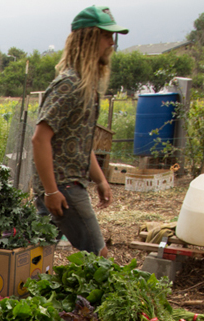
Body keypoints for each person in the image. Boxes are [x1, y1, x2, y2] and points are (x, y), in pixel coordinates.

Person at [31, 5, 127, 258]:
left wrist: (100, 180)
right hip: (64, 187)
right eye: (107, 36)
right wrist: (52, 191)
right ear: (88, 39)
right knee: (100, 258)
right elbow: (40, 139)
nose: (111, 44)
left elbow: (81, 145)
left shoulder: (86, 86)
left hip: (63, 185)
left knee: (36, 257)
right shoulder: (69, 85)